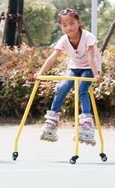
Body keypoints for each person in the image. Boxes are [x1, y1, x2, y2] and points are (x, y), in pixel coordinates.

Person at [35, 8, 102, 145]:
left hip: (90, 68)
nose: (69, 28)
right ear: (61, 27)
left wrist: (96, 74)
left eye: (72, 23)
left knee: (82, 89)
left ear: (78, 23)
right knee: (63, 86)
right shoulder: (64, 40)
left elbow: (90, 58)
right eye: (64, 25)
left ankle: (87, 123)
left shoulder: (88, 37)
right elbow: (53, 57)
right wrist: (40, 73)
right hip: (74, 67)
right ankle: (52, 121)